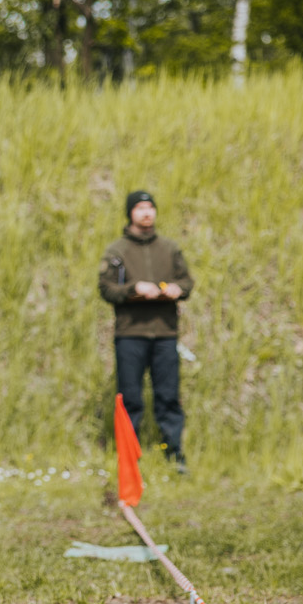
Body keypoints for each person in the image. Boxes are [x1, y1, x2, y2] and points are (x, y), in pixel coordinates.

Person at [99, 190, 195, 471]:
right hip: (130, 334)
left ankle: (174, 454)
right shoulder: (117, 251)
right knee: (130, 398)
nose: (146, 212)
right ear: (130, 213)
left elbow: (187, 281)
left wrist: (177, 289)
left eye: (150, 207)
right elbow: (106, 289)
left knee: (168, 396)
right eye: (140, 207)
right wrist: (134, 289)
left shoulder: (169, 248)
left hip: (165, 333)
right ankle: (129, 457)